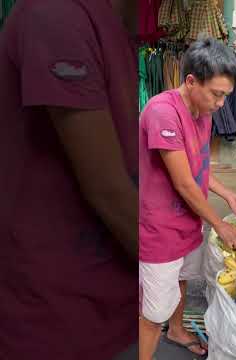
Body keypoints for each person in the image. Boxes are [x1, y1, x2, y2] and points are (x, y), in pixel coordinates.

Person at [0, 0, 139, 359]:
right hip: (55, 312)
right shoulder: (58, 12)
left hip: (106, 297)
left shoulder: (114, 18)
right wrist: (171, 264)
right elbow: (107, 190)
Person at [139, 37, 236, 359]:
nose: (220, 104)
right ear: (191, 81)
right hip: (159, 228)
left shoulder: (202, 110)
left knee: (182, 280)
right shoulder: (163, 112)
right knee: (152, 314)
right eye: (216, 94)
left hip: (188, 221)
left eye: (225, 96)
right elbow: (183, 184)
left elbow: (197, 168)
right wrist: (220, 224)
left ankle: (176, 331)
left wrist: (227, 194)